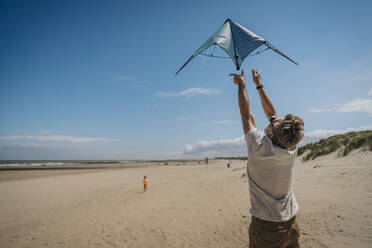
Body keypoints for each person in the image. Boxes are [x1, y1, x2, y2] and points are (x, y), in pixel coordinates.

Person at [229, 69, 304, 248]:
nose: (273, 118)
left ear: (270, 133)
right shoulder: (291, 147)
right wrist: (258, 85)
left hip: (267, 228)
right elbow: (268, 114)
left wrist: (242, 86)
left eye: (273, 122)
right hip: (291, 222)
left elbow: (245, 114)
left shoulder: (260, 147)